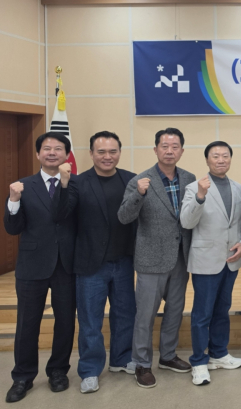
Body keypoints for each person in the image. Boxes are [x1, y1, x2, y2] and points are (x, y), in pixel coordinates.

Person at [52, 131, 138, 394]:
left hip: (124, 261)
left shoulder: (131, 179)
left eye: (112, 151)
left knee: (125, 315)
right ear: (91, 154)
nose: (107, 156)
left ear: (119, 153)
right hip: (90, 264)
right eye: (101, 152)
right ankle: (90, 370)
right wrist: (63, 184)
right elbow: (61, 214)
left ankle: (121, 359)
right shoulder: (77, 182)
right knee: (90, 321)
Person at [118, 128, 196, 388]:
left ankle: (168, 355)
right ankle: (141, 363)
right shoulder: (140, 180)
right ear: (155, 150)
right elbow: (124, 217)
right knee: (145, 315)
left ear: (182, 151)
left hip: (181, 257)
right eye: (164, 146)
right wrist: (139, 195)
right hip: (151, 259)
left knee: (174, 311)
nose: (169, 151)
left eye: (175, 146)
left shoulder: (189, 178)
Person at [4, 132, 77, 403]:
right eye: (47, 148)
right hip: (32, 264)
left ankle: (58, 371)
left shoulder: (76, 184)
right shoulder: (23, 186)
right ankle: (22, 377)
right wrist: (13, 200)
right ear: (38, 154)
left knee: (65, 322)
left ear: (66, 155)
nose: (52, 152)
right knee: (27, 323)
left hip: (67, 264)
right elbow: (13, 228)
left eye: (58, 148)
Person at [180, 141, 241, 385]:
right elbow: (187, 222)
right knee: (202, 314)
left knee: (222, 310)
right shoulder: (194, 188)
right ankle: (199, 361)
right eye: (215, 156)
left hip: (231, 259)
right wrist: (200, 196)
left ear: (230, 159)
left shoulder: (239, 188)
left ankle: (219, 354)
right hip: (205, 260)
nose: (221, 160)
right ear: (207, 160)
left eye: (225, 156)